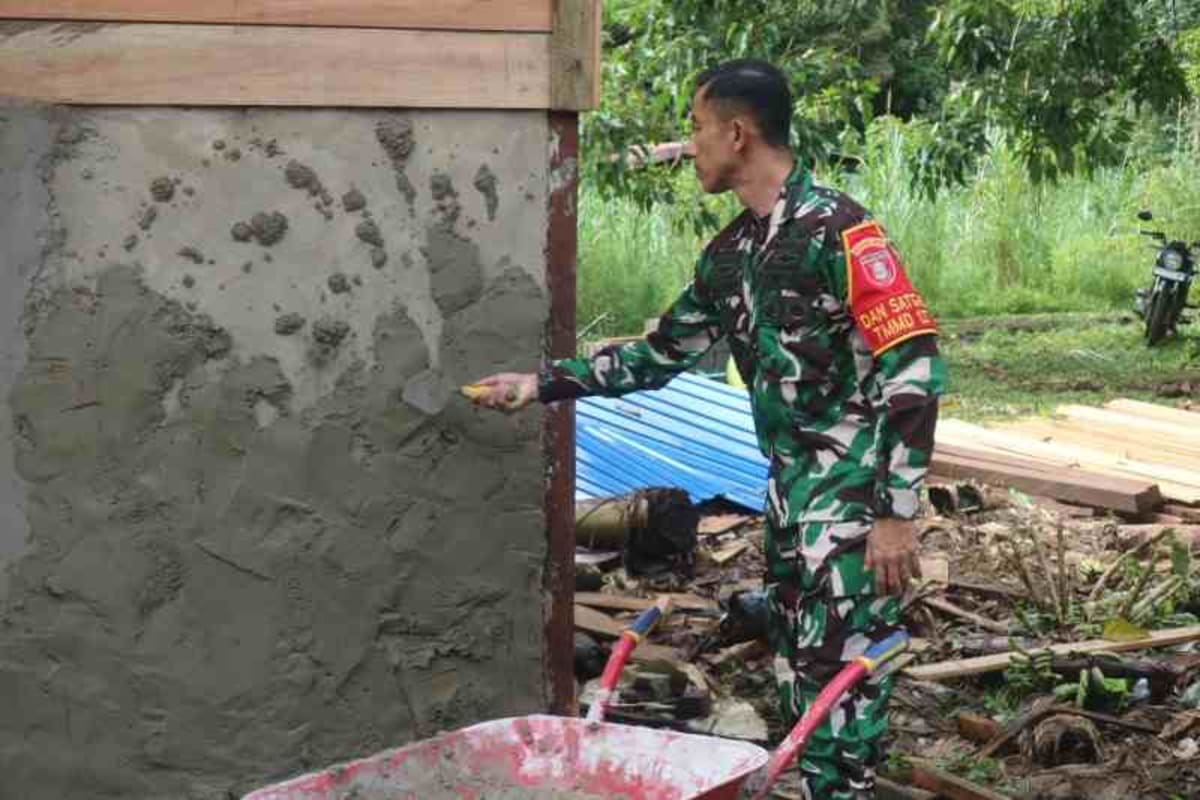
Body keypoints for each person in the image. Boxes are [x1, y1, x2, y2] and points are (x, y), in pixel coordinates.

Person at [469, 59, 945, 799]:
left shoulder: (840, 232)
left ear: (737, 132)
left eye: (696, 128)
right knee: (802, 669)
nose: (689, 146)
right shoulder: (732, 257)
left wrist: (896, 513)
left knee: (846, 683)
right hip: (789, 499)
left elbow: (913, 369)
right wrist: (540, 385)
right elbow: (658, 356)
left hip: (852, 503)